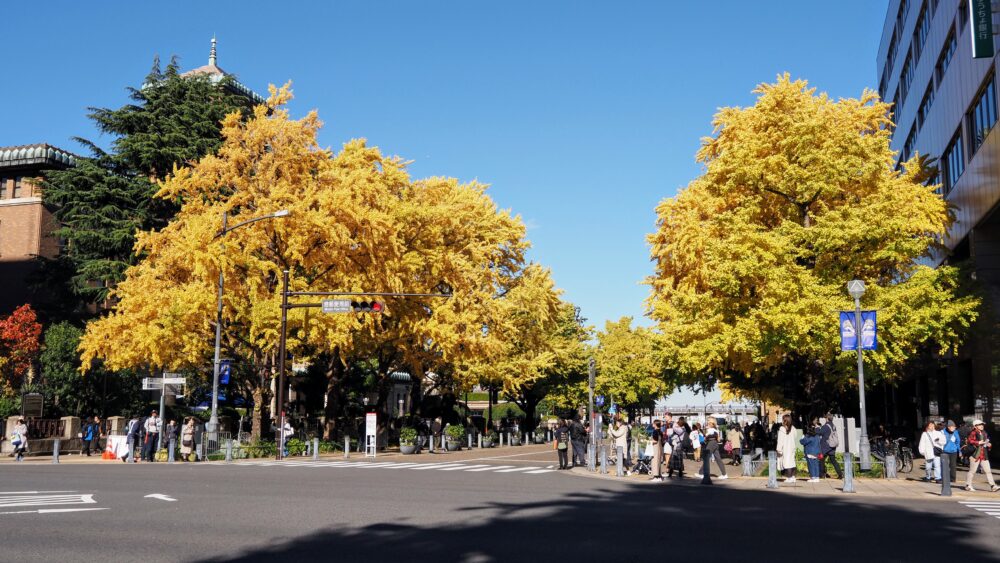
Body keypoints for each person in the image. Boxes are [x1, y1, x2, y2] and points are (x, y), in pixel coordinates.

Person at [964, 419, 999, 492]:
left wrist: (988, 444)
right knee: (972, 471)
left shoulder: (984, 433)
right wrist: (978, 442)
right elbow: (970, 441)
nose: (982, 426)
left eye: (982, 424)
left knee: (988, 471)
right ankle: (968, 485)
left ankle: (993, 486)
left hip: (983, 455)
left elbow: (985, 442)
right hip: (975, 455)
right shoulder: (973, 432)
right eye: (980, 425)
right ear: (975, 426)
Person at [818, 415, 843, 480]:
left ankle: (822, 474)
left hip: (826, 446)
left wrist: (817, 428)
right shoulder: (833, 426)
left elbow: (819, 432)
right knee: (833, 460)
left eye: (825, 418)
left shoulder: (826, 426)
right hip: (832, 446)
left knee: (821, 459)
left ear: (827, 419)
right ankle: (840, 474)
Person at [776, 415, 798, 482]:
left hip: (785, 448)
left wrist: (778, 449)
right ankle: (793, 477)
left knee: (786, 463)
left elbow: (780, 440)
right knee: (792, 462)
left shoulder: (782, 429)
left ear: (784, 420)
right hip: (792, 447)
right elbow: (795, 436)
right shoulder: (793, 428)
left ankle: (789, 478)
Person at [941, 419, 961, 484]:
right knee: (944, 465)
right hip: (945, 450)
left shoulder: (956, 432)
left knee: (953, 465)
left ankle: (953, 478)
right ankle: (944, 477)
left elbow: (958, 441)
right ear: (948, 427)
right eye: (953, 427)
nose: (954, 428)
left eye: (954, 427)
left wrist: (959, 451)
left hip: (953, 451)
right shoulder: (942, 432)